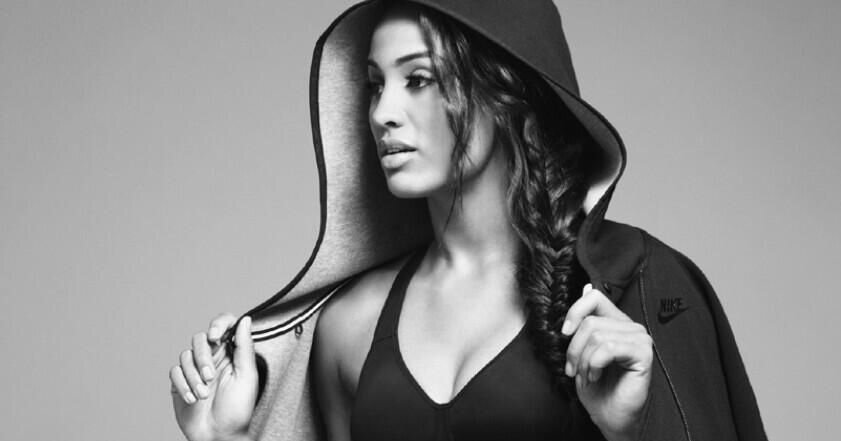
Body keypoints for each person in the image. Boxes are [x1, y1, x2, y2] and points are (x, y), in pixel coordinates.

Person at [169, 1, 767, 441]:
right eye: (374, 85)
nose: (383, 112)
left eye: (419, 79)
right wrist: (225, 439)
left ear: (505, 92)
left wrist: (631, 431)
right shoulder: (350, 326)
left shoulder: (633, 286)